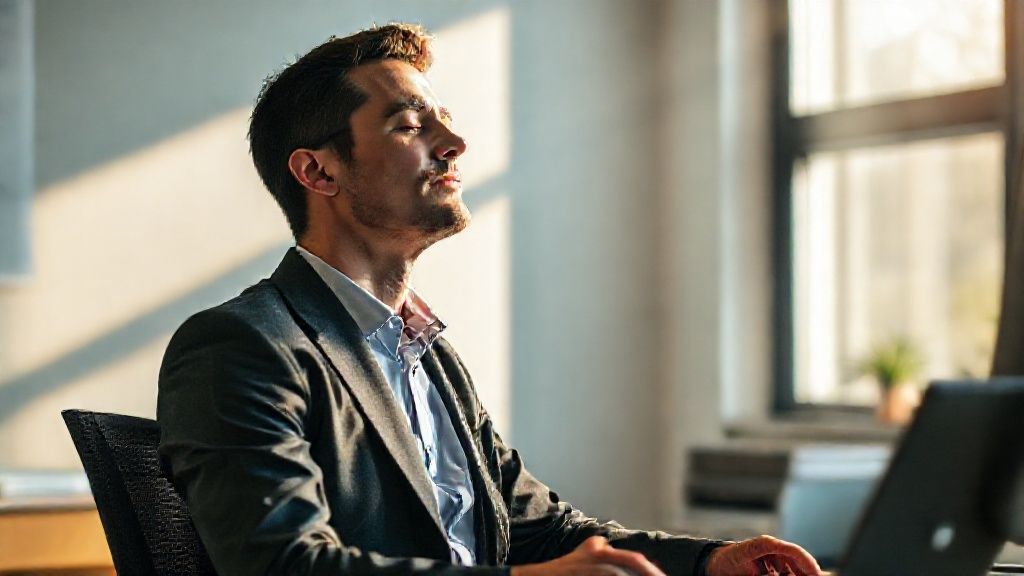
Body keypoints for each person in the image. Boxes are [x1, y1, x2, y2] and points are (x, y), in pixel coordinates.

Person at [157, 23, 822, 576]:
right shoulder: (242, 348)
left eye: (444, 121)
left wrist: (710, 563)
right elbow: (284, 567)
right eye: (410, 126)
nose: (454, 145)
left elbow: (538, 531)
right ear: (318, 170)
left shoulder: (427, 354)